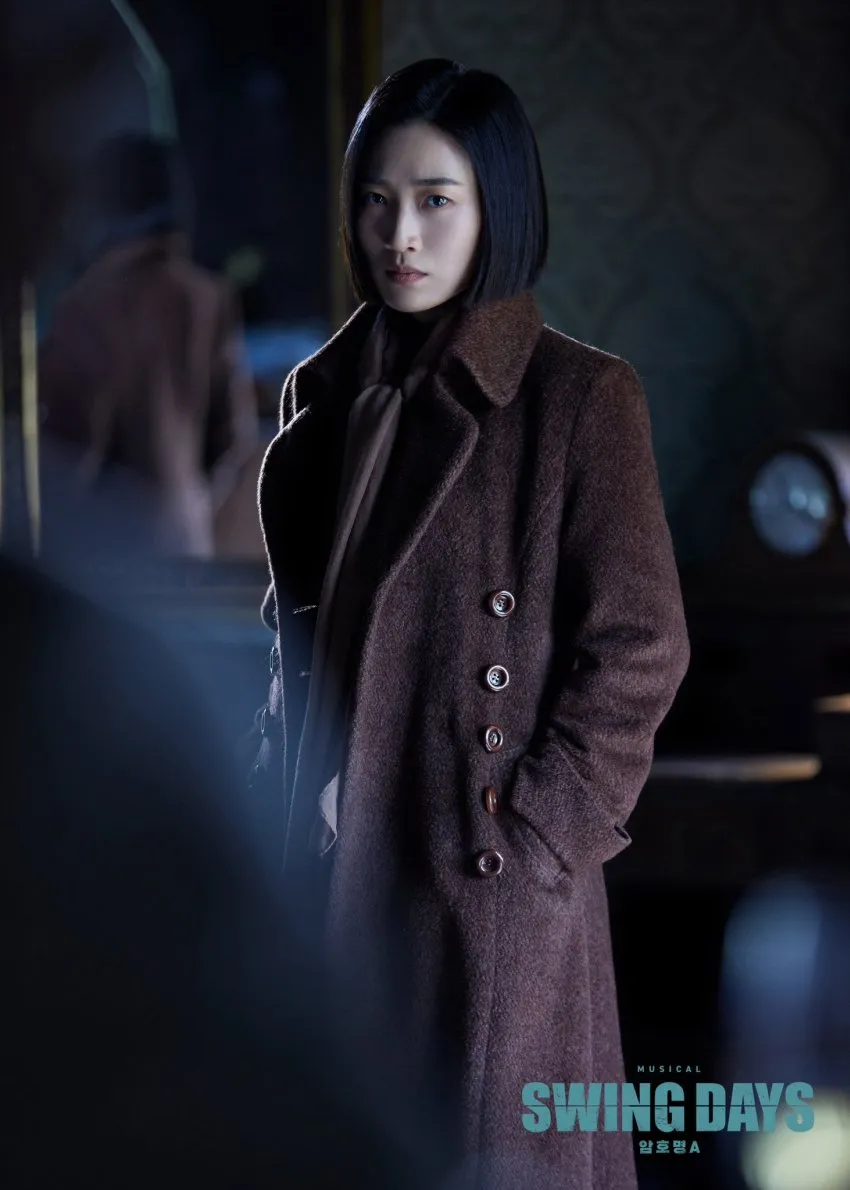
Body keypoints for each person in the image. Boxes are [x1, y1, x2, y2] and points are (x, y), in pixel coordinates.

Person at [254, 58, 690, 1189]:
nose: (401, 233)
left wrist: (535, 832)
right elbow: (292, 640)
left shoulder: (577, 398)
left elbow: (641, 643)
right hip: (330, 858)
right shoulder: (322, 398)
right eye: (377, 199)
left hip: (480, 882)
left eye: (436, 199)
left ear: (498, 205)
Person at [38, 133, 259, 562]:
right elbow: (233, 439)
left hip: (107, 567)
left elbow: (70, 460)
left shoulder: (86, 305)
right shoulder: (207, 297)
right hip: (189, 547)